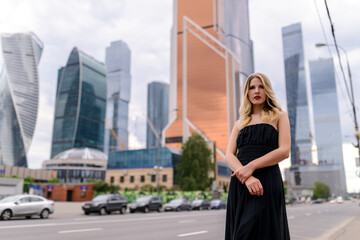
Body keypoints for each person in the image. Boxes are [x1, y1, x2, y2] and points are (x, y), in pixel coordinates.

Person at [225, 72, 291, 240]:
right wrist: (246, 177)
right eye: (252, 87)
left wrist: (252, 167)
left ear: (267, 90)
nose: (257, 91)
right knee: (240, 232)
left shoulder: (279, 115)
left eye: (261, 87)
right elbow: (229, 155)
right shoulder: (240, 123)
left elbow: (284, 151)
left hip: (266, 182)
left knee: (260, 232)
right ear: (247, 92)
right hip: (241, 182)